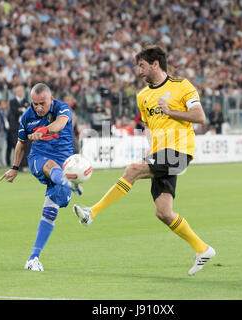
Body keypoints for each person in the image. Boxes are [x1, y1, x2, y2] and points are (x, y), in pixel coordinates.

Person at [73, 46, 216, 276]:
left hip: (179, 150)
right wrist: (149, 152)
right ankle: (203, 249)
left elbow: (199, 117)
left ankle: (92, 212)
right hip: (160, 153)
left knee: (131, 171)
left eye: (142, 66)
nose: (138, 71)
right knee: (163, 212)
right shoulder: (142, 96)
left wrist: (171, 112)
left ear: (155, 64)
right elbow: (149, 127)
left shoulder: (182, 86)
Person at [0, 83, 83, 272]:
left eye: (42, 104)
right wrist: (14, 168)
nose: (38, 108)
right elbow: (21, 144)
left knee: (51, 211)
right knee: (50, 166)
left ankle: (33, 258)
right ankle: (66, 181)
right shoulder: (27, 117)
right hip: (38, 159)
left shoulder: (62, 108)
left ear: (50, 99)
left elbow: (60, 124)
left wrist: (43, 130)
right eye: (35, 103)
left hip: (65, 162)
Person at [7, 85, 30, 168]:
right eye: (19, 91)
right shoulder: (12, 101)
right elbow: (15, 111)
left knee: (24, 146)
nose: (21, 92)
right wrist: (23, 109)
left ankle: (22, 164)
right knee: (16, 145)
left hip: (23, 127)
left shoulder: (26, 101)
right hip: (14, 127)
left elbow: (28, 111)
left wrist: (22, 109)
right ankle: (16, 164)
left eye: (22, 91)